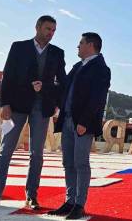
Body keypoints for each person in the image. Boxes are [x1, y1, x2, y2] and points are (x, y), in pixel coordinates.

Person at [0, 15, 67, 210]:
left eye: (53, 30)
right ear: (37, 27)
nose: (51, 33)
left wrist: (46, 89)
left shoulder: (57, 53)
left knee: (36, 153)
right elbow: (8, 76)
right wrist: (5, 104)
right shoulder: (18, 47)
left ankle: (31, 196)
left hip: (42, 108)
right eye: (48, 29)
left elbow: (62, 82)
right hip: (16, 106)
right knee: (5, 151)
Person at [48, 33, 110, 219]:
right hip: (67, 120)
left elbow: (98, 99)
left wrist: (84, 121)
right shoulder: (77, 66)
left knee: (81, 163)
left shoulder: (101, 69)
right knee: (68, 162)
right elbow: (64, 88)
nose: (78, 46)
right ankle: (69, 201)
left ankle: (79, 204)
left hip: (82, 124)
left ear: (90, 45)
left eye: (81, 43)